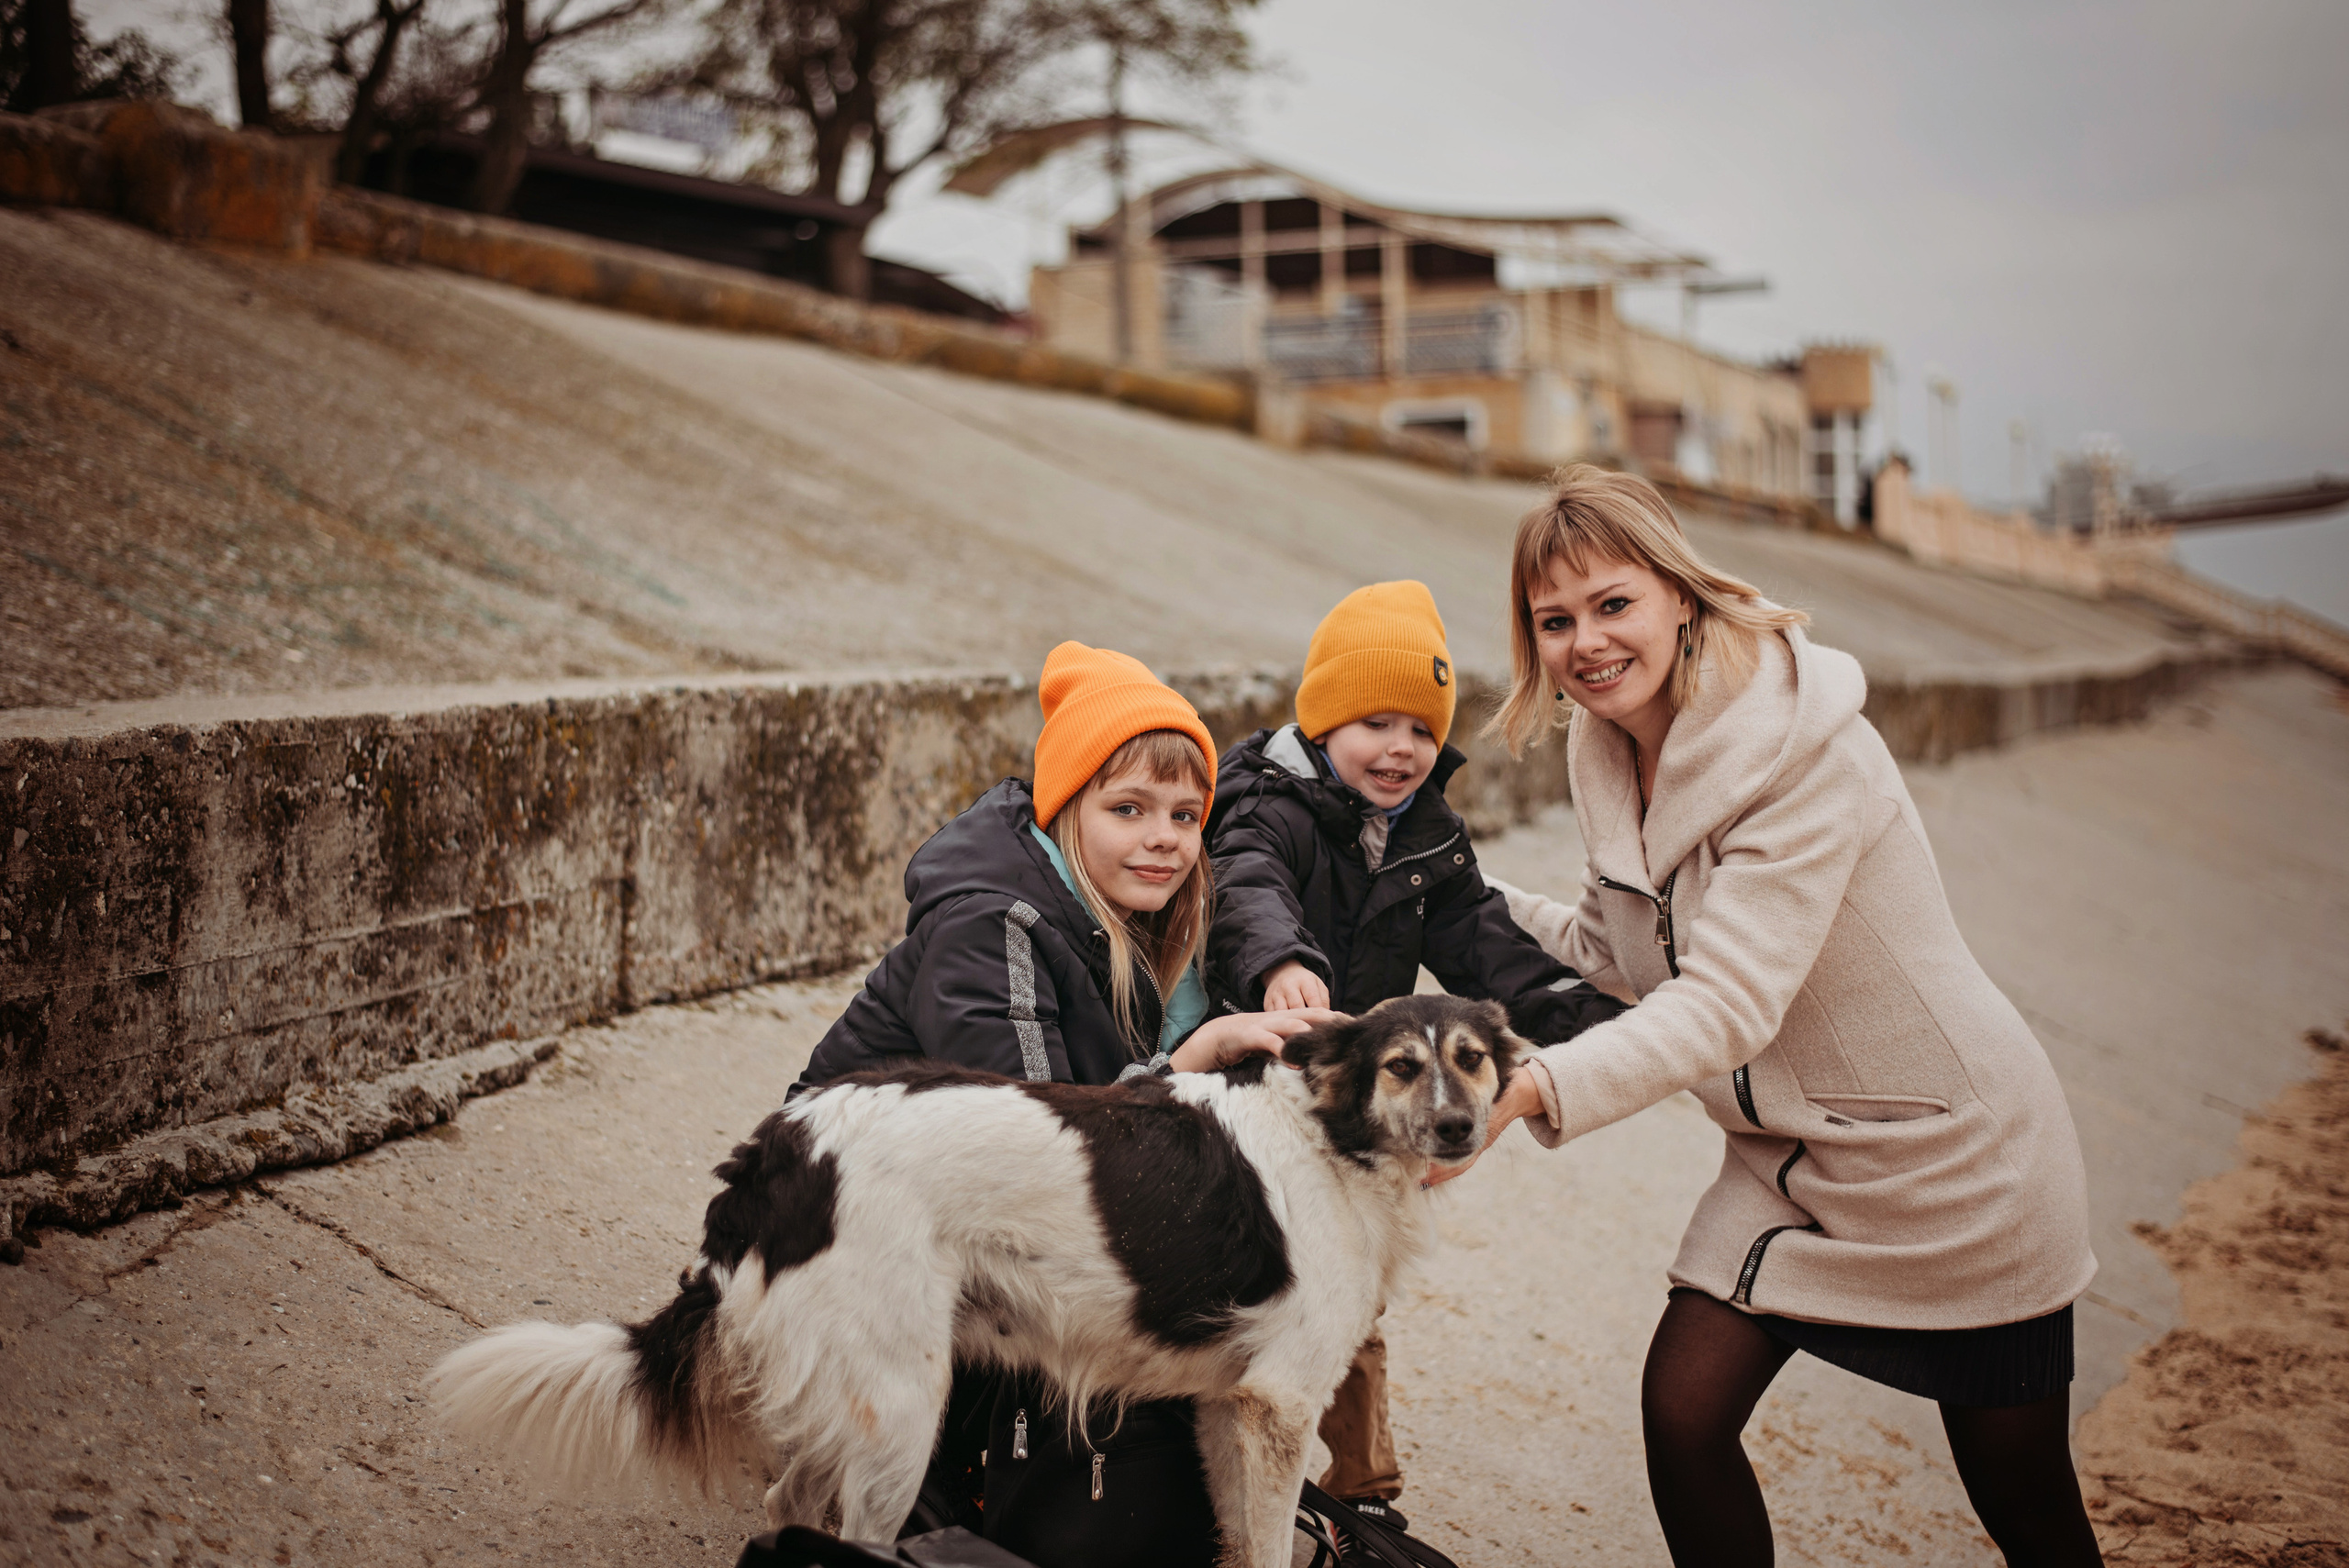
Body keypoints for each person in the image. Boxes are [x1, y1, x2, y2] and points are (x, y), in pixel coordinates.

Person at [1440, 466, 2103, 1567]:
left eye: (1613, 604)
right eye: (1553, 621)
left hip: (1958, 1158)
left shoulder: (1805, 753)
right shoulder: (1605, 747)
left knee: (2025, 1502)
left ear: (1680, 595)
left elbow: (1729, 999)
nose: (1585, 643)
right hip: (1787, 1154)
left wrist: (1536, 1086)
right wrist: (1446, 891)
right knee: (1684, 1413)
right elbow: (1624, 954)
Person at [794, 640, 1330, 1568]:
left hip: (964, 1224)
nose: (1163, 835)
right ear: (1064, 809)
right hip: (835, 1231)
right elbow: (1029, 1130)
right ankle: (860, 1492)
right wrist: (1185, 1064)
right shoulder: (989, 919)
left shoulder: (1151, 925)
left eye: (1183, 813)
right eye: (1127, 808)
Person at [1203, 580, 1628, 1540]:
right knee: (1264, 1273)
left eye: (1420, 729)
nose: (1401, 747)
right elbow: (1245, 884)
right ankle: (1221, 1455)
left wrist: (1584, 1016)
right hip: (1255, 1084)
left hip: (1361, 1106)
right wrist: (1280, 961)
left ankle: (1357, 1479)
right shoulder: (1268, 801)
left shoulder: (1425, 828)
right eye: (1374, 722)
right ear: (1321, 722)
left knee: (1351, 1275)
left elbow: (1484, 942)